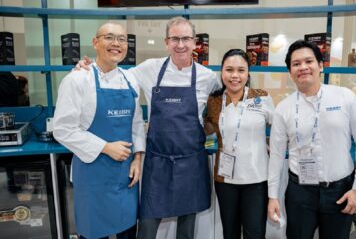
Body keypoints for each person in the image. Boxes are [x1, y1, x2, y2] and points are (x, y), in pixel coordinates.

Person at [76, 16, 221, 239]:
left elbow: (227, 93)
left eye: (185, 39)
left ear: (194, 42)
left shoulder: (208, 77)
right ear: (166, 42)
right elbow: (114, 76)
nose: (180, 45)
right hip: (158, 162)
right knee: (147, 226)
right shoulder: (149, 69)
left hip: (191, 162)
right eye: (174, 39)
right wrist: (89, 68)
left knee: (187, 228)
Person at [267, 40, 356, 239]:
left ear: (321, 65)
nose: (303, 67)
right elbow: (275, 155)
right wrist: (272, 195)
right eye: (296, 64)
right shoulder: (283, 108)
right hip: (299, 193)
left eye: (309, 61)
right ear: (290, 71)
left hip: (340, 191)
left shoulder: (345, 97)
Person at [53, 22, 146, 239]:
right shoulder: (77, 79)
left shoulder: (130, 79)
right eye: (109, 37)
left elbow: (137, 123)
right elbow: (62, 129)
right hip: (93, 176)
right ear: (95, 43)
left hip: (126, 176)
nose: (116, 44)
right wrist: (105, 147)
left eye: (122, 39)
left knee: (128, 232)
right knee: (94, 233)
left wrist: (138, 159)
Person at [204, 48, 274, 239]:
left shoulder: (261, 97)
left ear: (248, 73)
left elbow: (278, 131)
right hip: (225, 180)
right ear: (222, 72)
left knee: (254, 232)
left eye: (241, 70)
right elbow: (209, 130)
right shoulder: (214, 100)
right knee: (230, 232)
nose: (235, 75)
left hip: (256, 180)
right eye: (229, 70)